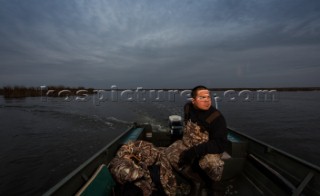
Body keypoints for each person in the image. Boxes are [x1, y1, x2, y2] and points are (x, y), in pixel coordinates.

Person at [165, 85, 228, 195]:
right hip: (188, 144)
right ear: (193, 101)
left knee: (212, 163)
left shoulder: (217, 117)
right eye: (202, 98)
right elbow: (187, 125)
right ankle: (196, 181)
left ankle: (214, 186)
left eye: (208, 97)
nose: (207, 101)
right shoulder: (188, 108)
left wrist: (194, 151)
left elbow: (220, 144)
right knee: (168, 153)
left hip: (207, 149)